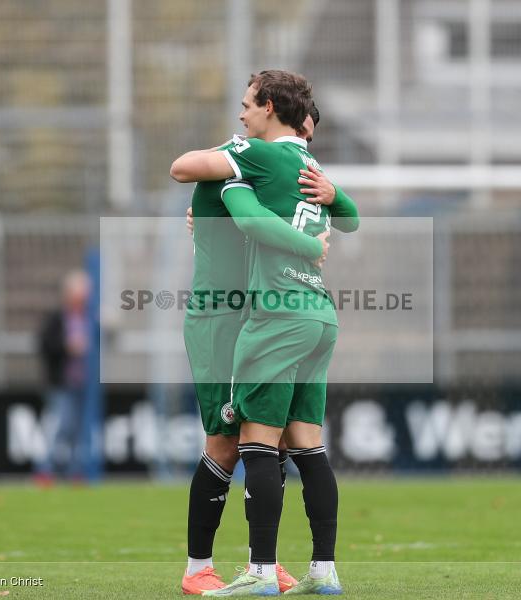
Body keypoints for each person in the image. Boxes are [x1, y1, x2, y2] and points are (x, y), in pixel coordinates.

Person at [172, 70, 358, 596]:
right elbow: (193, 174)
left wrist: (332, 196)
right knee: (225, 442)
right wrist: (312, 241)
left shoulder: (278, 169)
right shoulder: (242, 160)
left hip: (264, 312)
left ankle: (265, 563)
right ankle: (199, 567)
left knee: (268, 440)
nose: (306, 147)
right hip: (220, 316)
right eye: (305, 131)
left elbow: (331, 217)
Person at [35, 269, 92, 485]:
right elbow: (44, 345)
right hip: (61, 383)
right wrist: (67, 347)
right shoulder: (57, 319)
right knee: (61, 426)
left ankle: (75, 472)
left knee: (78, 430)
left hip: (83, 383)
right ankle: (45, 469)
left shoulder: (90, 318)